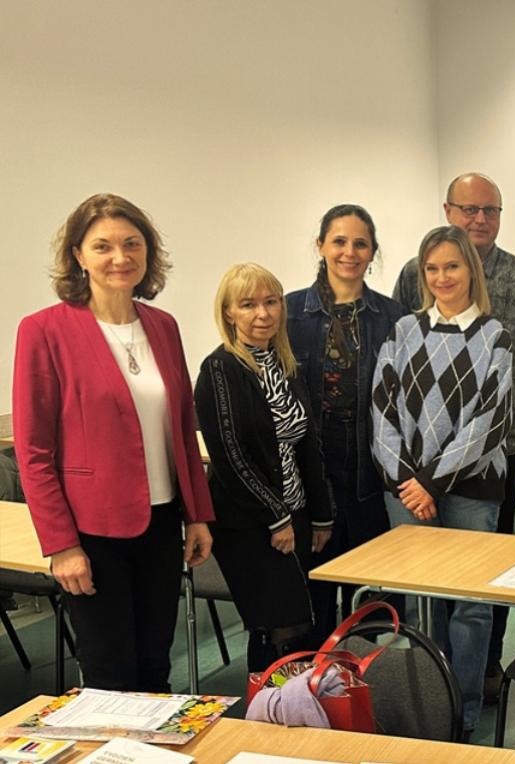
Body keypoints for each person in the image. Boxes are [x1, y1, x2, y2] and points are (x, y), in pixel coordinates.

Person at [13, 193, 214, 691]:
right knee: (110, 674)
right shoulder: (44, 331)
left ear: (148, 252)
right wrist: (62, 545)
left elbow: (181, 428)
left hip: (161, 522)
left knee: (156, 665)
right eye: (102, 246)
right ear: (78, 256)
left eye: (132, 244)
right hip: (92, 531)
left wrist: (197, 514)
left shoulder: (162, 327)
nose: (120, 257)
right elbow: (34, 453)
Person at [392, 172, 515, 699]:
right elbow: (401, 354)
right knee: (427, 578)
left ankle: (484, 669)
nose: (480, 219)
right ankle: (434, 682)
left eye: (490, 210)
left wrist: (500, 400)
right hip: (419, 464)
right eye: (469, 209)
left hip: (494, 453)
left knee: (488, 569)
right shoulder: (413, 273)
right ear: (448, 211)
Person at [375, 225, 514, 739]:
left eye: (451, 266)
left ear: (470, 271)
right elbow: (381, 410)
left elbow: (490, 421)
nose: (441, 277)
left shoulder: (495, 336)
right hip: (407, 490)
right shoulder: (403, 331)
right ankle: (427, 708)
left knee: (471, 607)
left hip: (470, 491)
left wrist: (431, 482)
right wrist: (408, 482)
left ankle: (463, 715)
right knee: (420, 604)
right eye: (431, 269)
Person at [195, 263, 334, 672]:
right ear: (228, 313)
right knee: (279, 625)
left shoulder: (283, 363)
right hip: (249, 523)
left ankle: (295, 702)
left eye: (271, 302)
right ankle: (269, 705)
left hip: (297, 512)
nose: (262, 313)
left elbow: (307, 443)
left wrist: (320, 514)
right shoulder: (220, 369)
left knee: (303, 622)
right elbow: (231, 457)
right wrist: (276, 518)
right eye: (248, 304)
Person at [286, 204, 407, 639]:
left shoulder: (394, 318)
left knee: (370, 607)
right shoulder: (288, 313)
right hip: (309, 479)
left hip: (369, 477)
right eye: (339, 241)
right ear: (320, 245)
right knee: (311, 603)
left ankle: (362, 681)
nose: (349, 252)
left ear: (373, 251)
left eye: (360, 243)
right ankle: (315, 682)